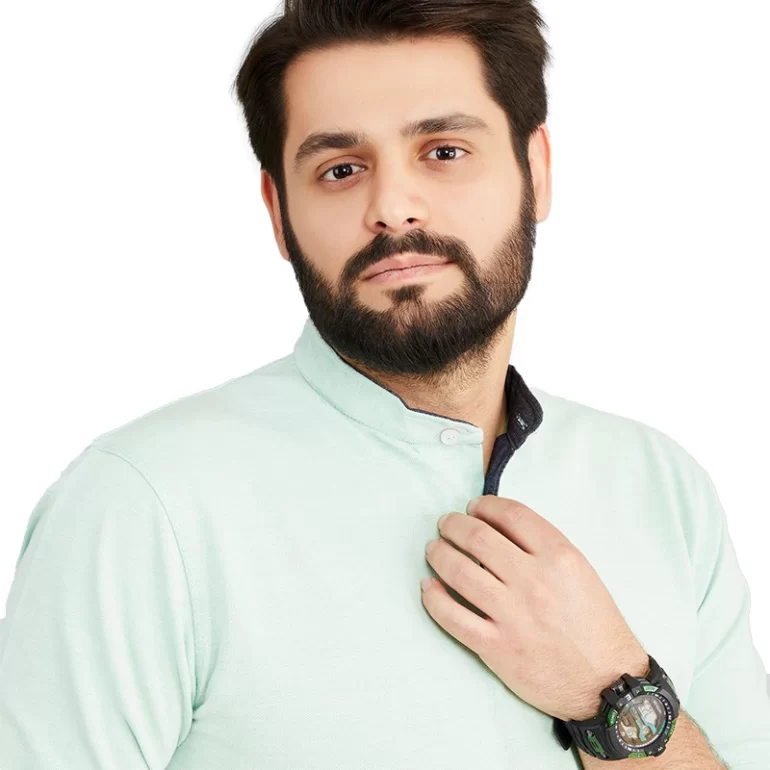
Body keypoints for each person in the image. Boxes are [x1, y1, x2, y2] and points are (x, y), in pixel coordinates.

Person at [1, 1, 768, 768]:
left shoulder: (663, 487)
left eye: (444, 151)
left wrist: (611, 689)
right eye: (340, 169)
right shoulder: (142, 508)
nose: (392, 208)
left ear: (536, 170)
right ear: (278, 212)